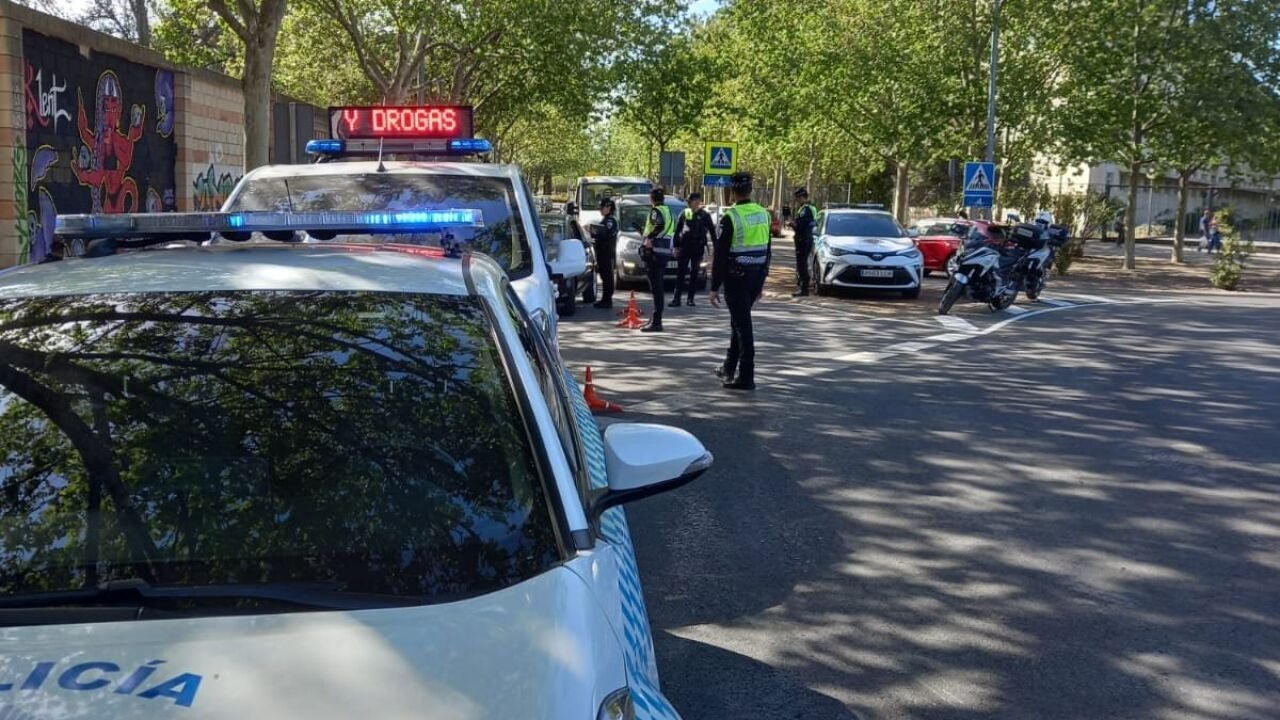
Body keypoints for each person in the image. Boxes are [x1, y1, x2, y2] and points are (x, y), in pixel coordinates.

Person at [710, 172, 771, 391]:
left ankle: (746, 376)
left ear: (732, 192)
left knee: (743, 327)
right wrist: (762, 281)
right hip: (756, 277)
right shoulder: (764, 214)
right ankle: (728, 367)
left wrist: (714, 286)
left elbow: (720, 255)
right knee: (738, 322)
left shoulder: (731, 217)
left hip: (736, 278)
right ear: (751, 190)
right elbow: (768, 249)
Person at [670, 192, 715, 307]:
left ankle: (690, 299)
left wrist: (716, 247)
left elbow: (712, 231)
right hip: (685, 247)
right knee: (681, 273)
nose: (694, 204)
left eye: (696, 201)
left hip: (698, 248)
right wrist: (675, 247)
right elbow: (677, 231)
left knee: (694, 273)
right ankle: (676, 299)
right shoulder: (684, 213)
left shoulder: (704, 215)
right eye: (692, 202)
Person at [640, 188, 676, 332]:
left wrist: (649, 238)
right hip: (664, 251)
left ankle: (657, 322)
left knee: (656, 288)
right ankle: (656, 318)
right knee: (658, 287)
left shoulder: (656, 211)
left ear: (651, 199)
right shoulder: (668, 210)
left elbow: (659, 225)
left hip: (655, 252)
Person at [589, 197, 619, 308]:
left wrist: (595, 232)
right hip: (602, 252)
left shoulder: (610, 221)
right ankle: (605, 299)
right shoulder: (606, 220)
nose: (600, 210)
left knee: (607, 277)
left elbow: (605, 234)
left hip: (607, 253)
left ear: (608, 207)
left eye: (602, 208)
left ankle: (607, 300)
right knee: (603, 276)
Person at [791, 188, 818, 296]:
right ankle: (804, 287)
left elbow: (800, 226)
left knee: (802, 265)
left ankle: (804, 289)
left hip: (803, 240)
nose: (796, 200)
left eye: (798, 198)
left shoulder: (806, 210)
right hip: (806, 239)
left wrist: (792, 224)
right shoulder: (811, 207)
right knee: (803, 264)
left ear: (802, 197)